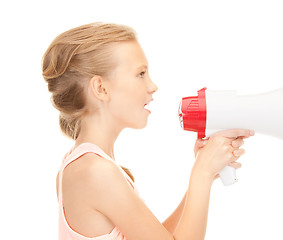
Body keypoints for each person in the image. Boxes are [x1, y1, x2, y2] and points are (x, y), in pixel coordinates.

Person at [42, 22, 254, 240]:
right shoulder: (95, 172)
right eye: (141, 74)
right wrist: (202, 172)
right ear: (101, 88)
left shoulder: (87, 165)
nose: (153, 86)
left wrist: (205, 175)